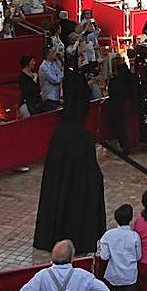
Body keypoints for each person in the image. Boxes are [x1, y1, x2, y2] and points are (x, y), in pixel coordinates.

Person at [33, 71, 107, 252]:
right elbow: (91, 170)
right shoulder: (84, 136)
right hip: (79, 190)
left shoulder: (58, 134)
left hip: (59, 187)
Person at [96, 204, 142, 291]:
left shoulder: (108, 235)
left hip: (114, 277)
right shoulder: (135, 236)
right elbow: (138, 256)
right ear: (130, 218)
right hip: (130, 277)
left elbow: (104, 256)